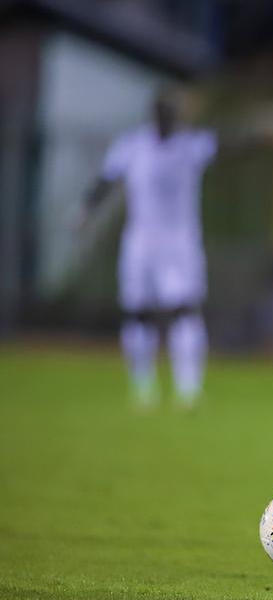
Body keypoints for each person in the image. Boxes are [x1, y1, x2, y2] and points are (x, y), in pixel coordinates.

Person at [81, 91, 217, 410]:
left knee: (185, 310)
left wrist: (267, 128)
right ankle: (143, 386)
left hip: (180, 243)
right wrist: (86, 209)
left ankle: (189, 388)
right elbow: (106, 179)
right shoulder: (132, 145)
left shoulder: (191, 144)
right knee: (137, 313)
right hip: (140, 243)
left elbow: (231, 142)